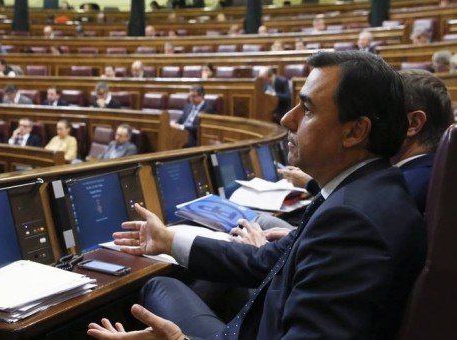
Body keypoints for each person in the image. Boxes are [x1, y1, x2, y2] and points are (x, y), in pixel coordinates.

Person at [88, 51, 426, 340]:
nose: (287, 118)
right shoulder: (363, 190)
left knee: (157, 287)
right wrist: (168, 240)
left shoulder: (352, 221)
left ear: (354, 131)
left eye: (306, 109)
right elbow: (264, 261)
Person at [279, 69, 453, 217]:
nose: (368, 127)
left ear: (413, 123)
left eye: (381, 114)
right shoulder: (432, 172)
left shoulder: (404, 187)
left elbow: (352, 214)